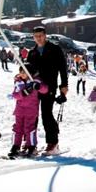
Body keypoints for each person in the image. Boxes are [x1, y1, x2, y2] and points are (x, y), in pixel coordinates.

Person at [25, 26, 68, 155]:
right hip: (34, 88)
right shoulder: (32, 52)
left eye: (41, 35)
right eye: (36, 36)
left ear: (45, 35)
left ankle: (52, 143)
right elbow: (27, 71)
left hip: (49, 86)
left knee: (46, 114)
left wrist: (64, 85)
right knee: (32, 115)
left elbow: (63, 68)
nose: (38, 38)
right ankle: (31, 143)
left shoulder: (54, 49)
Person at [9, 67, 49, 157]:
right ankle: (15, 146)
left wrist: (38, 86)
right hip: (19, 110)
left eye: (24, 72)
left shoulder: (35, 81)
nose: (22, 74)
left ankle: (31, 146)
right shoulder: (18, 82)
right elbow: (14, 95)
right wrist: (23, 93)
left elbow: (45, 90)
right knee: (17, 128)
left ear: (29, 73)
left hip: (31, 110)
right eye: (21, 72)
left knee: (29, 128)